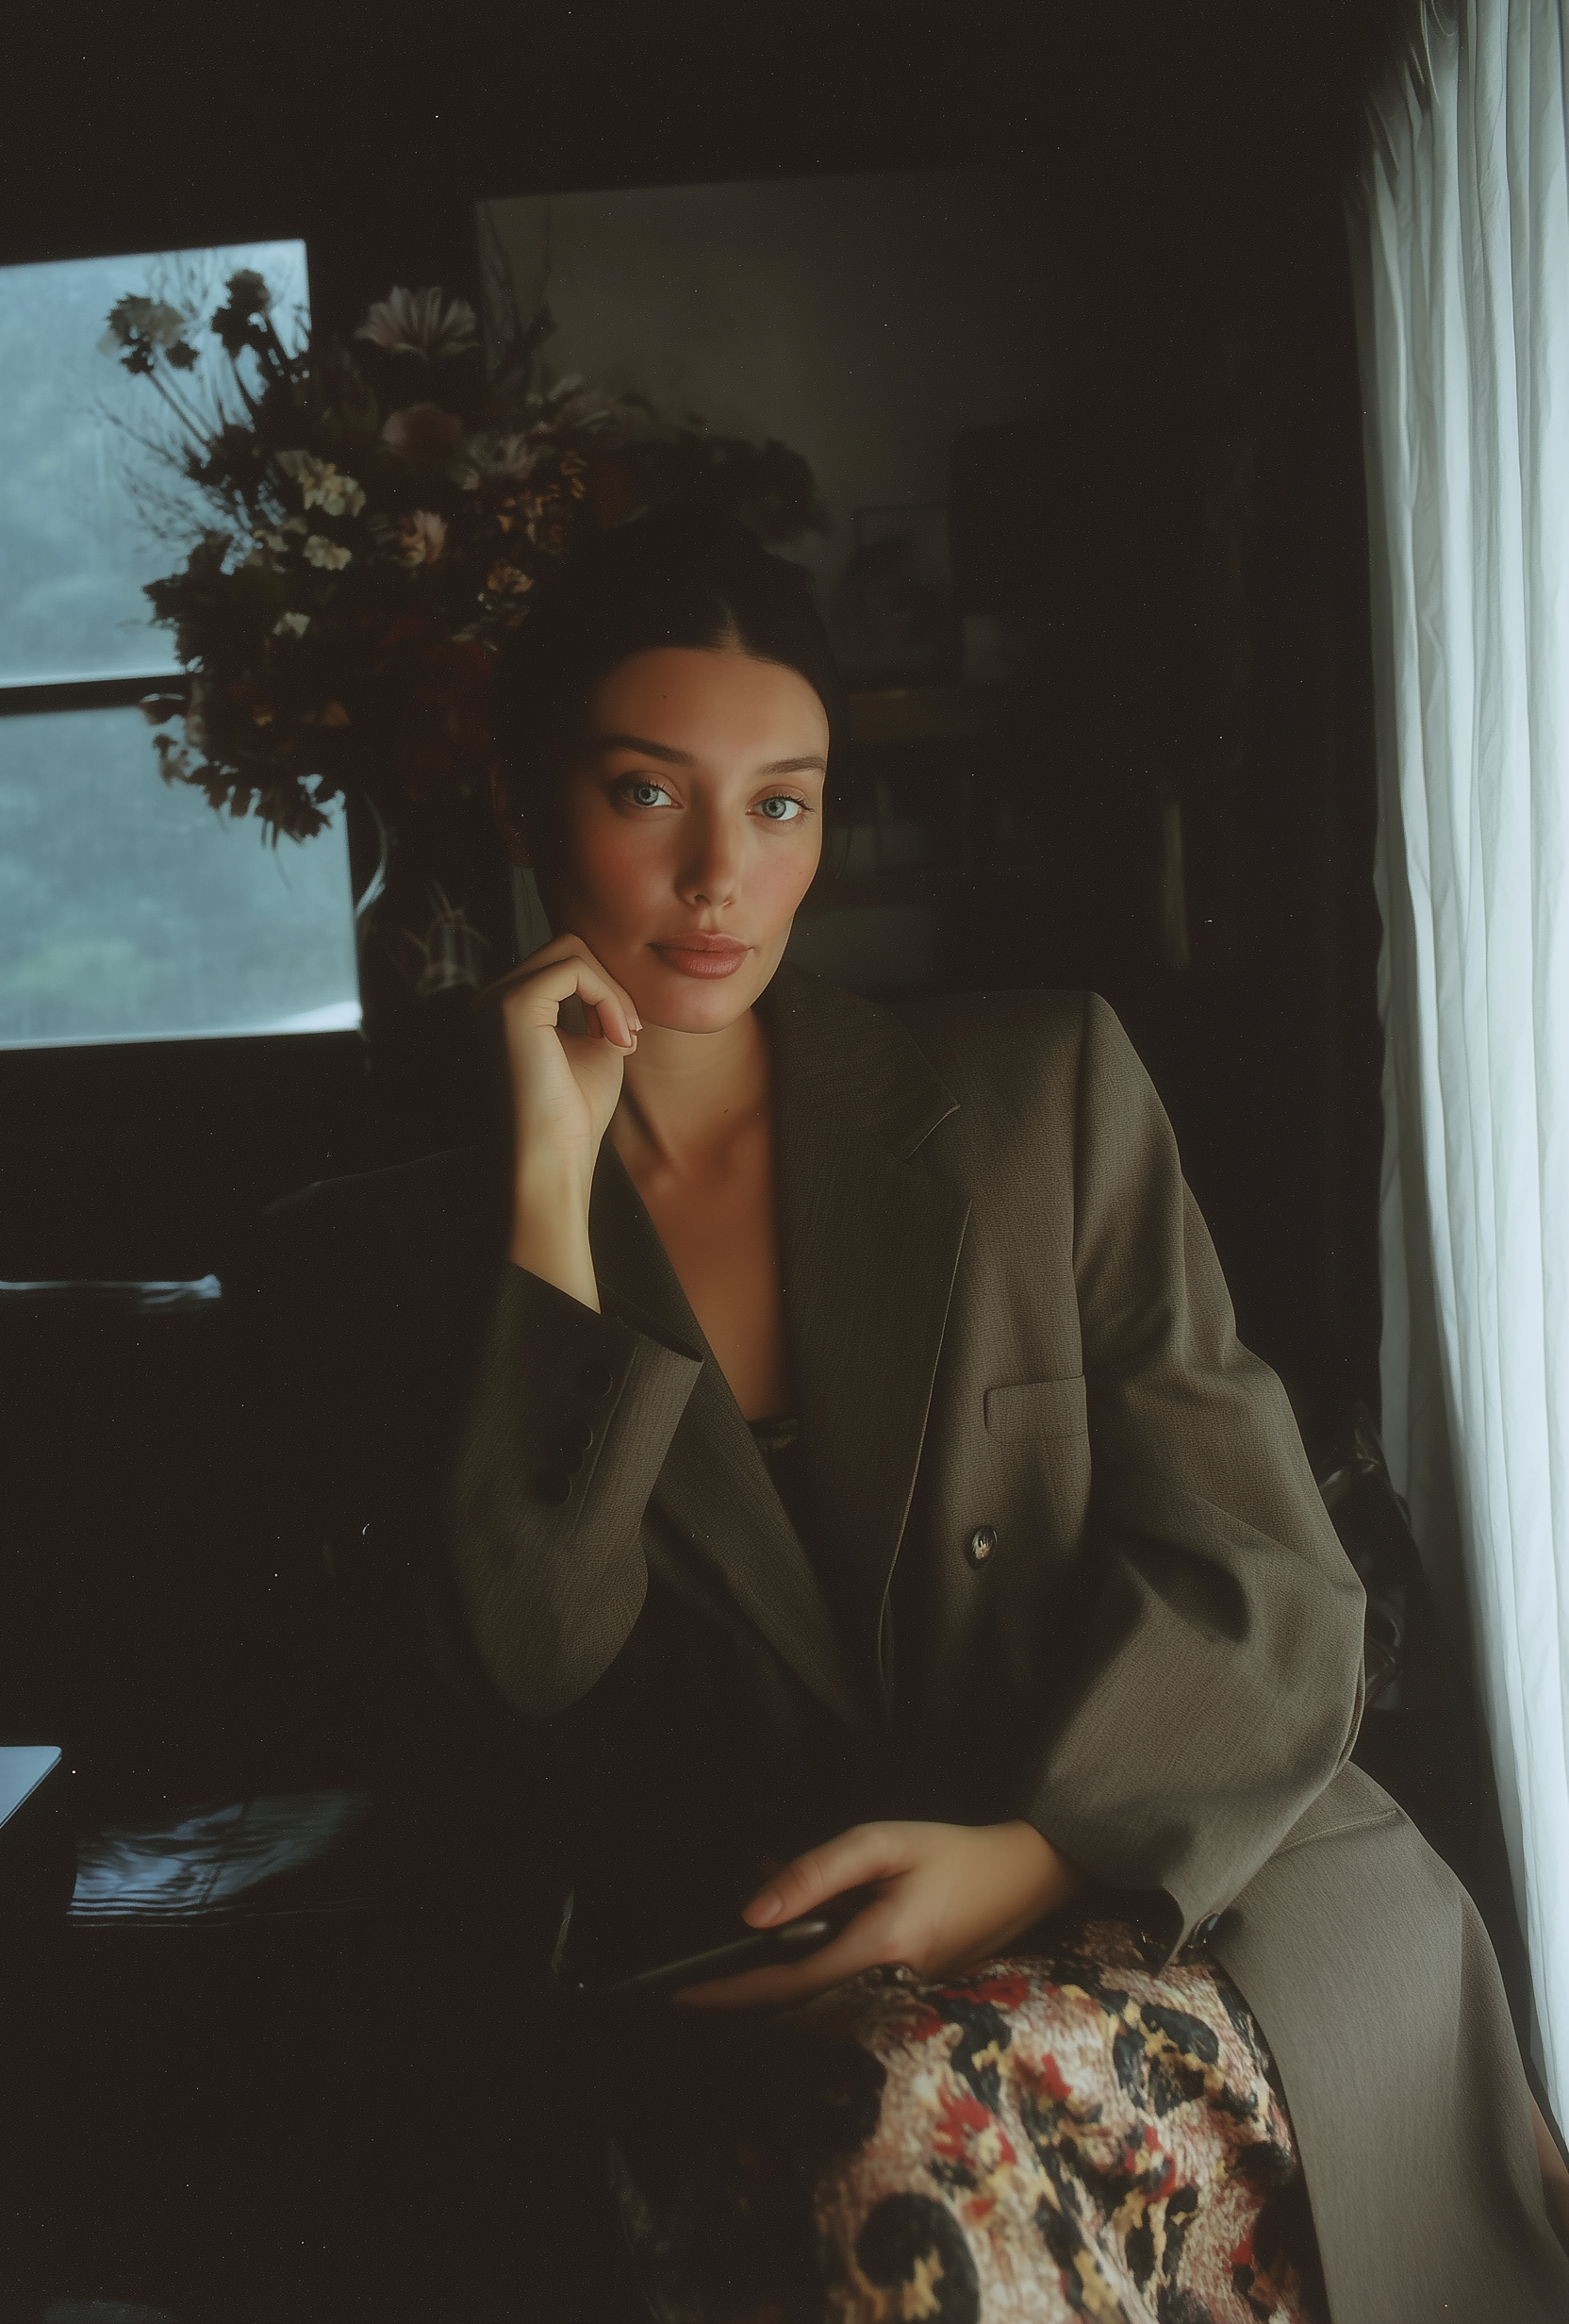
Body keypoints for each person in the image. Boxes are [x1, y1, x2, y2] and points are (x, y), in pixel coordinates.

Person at [255, 510, 1569, 2323]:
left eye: (781, 804)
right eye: (649, 795)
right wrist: (550, 1201)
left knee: (899, 2124)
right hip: (800, 1973)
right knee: (865, 2121)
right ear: (519, 797)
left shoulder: (1039, 1095)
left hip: (1198, 1893)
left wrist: (1029, 1855)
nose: (722, 875)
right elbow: (528, 1659)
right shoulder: (413, 1253)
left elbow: (1278, 1588)